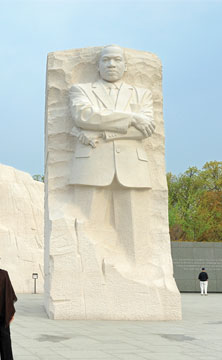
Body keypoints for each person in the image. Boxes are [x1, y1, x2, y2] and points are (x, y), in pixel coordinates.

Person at [68, 44, 156, 267]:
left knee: (136, 234)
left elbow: (145, 130)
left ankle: (138, 274)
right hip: (91, 167)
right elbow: (83, 116)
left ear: (125, 66)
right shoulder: (81, 90)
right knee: (86, 230)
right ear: (97, 66)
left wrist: (105, 132)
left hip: (132, 168)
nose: (111, 64)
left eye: (117, 60)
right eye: (106, 60)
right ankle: (86, 275)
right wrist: (132, 118)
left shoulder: (142, 94)